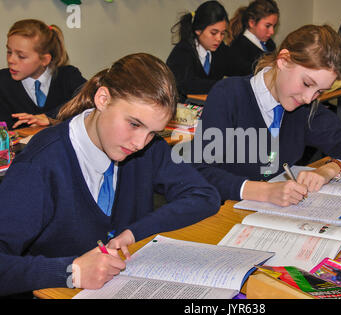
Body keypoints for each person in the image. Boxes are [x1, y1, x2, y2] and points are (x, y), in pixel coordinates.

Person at [0, 53, 221, 297]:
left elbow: (203, 195)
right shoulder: (40, 165)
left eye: (152, 132)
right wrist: (70, 271)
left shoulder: (146, 149)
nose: (140, 143)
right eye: (134, 124)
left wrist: (134, 232)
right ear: (103, 99)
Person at [184, 25, 341, 206]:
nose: (309, 98)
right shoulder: (229, 95)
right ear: (283, 60)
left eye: (319, 92)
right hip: (221, 212)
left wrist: (329, 170)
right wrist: (264, 192)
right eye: (307, 84)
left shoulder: (303, 109)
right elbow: (200, 170)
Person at [0, 19, 86, 130]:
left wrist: (49, 118)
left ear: (45, 60)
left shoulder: (68, 75)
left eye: (21, 56)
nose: (11, 60)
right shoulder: (2, 82)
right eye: (9, 52)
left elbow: (89, 99)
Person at [166, 0, 247, 101]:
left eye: (222, 33)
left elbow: (240, 68)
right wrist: (224, 85)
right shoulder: (182, 52)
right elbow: (186, 84)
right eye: (214, 33)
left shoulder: (220, 50)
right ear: (198, 30)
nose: (219, 38)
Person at [228, 0, 279, 74]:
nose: (272, 32)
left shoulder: (270, 44)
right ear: (252, 23)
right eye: (267, 26)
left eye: (274, 26)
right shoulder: (238, 48)